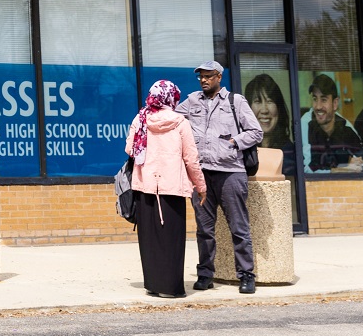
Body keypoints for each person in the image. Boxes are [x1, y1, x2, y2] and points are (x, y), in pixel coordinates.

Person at [178, 60, 263, 294]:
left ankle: (246, 275)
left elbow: (256, 132)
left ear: (218, 77)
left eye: (208, 76)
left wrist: (235, 142)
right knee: (204, 230)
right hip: (202, 175)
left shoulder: (235, 101)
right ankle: (205, 275)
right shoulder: (192, 101)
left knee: (239, 227)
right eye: (201, 77)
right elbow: (172, 119)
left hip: (231, 174)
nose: (203, 80)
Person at [126, 79, 207, 299]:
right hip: (172, 189)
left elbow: (130, 149)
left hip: (146, 188)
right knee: (171, 239)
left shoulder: (140, 118)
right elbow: (191, 158)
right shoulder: (180, 122)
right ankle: (170, 288)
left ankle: (153, 284)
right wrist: (201, 186)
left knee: (150, 239)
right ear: (171, 98)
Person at [306, 73, 363, 173]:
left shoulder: (345, 127)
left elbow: (362, 159)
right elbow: (304, 170)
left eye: (324, 100)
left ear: (335, 104)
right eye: (315, 99)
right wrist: (339, 171)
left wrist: (359, 161)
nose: (318, 106)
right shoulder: (305, 126)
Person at [244, 73, 296, 179]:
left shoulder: (290, 153)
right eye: (257, 101)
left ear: (278, 108)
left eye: (270, 101)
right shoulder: (243, 149)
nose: (264, 110)